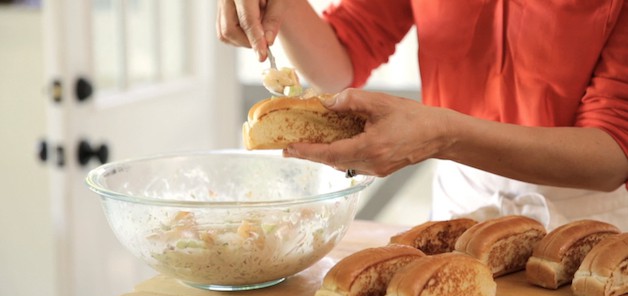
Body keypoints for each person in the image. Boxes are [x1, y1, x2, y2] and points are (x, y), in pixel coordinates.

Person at [217, 1, 628, 230]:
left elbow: (612, 153)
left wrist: (443, 135)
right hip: (460, 204)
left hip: (585, 217)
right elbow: (340, 61)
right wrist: (282, 5)